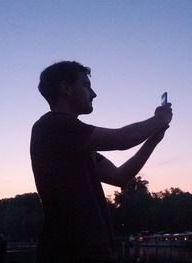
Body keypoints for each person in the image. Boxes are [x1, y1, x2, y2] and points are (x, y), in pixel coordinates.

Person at [30, 61, 173, 263]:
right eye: (86, 85)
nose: (94, 94)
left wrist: (153, 140)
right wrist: (160, 120)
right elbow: (122, 138)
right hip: (72, 252)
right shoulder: (54, 125)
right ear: (66, 87)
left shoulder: (75, 140)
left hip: (91, 251)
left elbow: (120, 177)